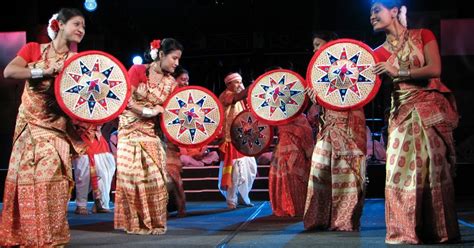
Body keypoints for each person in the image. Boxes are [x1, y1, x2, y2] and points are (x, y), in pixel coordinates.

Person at [370, 0, 460, 244]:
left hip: (430, 112)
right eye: (371, 12)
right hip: (401, 115)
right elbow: (365, 89)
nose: (372, 16)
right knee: (399, 173)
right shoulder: (376, 54)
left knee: (435, 171)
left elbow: (435, 69)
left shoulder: (423, 35)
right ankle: (404, 232)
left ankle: (441, 232)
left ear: (395, 11)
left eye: (377, 10)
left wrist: (396, 71)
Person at [0, 8, 86, 247]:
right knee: (24, 181)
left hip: (56, 127)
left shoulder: (77, 62)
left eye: (84, 27)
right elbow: (10, 71)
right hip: (28, 124)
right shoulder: (33, 50)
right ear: (60, 24)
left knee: (50, 180)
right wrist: (43, 71)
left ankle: (49, 238)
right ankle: (26, 237)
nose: (81, 30)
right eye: (77, 24)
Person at [114, 38, 182, 235]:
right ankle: (135, 223)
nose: (176, 63)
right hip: (129, 129)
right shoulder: (137, 71)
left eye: (178, 59)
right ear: (161, 54)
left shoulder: (171, 83)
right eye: (174, 58)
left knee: (155, 178)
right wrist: (148, 111)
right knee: (132, 177)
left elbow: (170, 112)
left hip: (151, 132)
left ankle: (154, 222)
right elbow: (125, 99)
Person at [304, 32, 367, 231]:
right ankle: (318, 219)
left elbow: (351, 98)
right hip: (327, 129)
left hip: (346, 129)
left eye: (318, 44)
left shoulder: (349, 69)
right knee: (319, 173)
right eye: (313, 46)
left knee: (345, 176)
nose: (314, 49)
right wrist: (317, 101)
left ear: (331, 46)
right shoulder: (318, 76)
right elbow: (317, 113)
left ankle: (343, 221)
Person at [217, 72, 257, 209]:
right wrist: (253, 86)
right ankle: (231, 200)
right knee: (235, 172)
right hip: (230, 141)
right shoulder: (226, 95)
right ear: (228, 84)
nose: (240, 84)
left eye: (241, 81)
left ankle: (243, 197)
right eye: (237, 82)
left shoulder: (239, 98)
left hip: (242, 140)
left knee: (250, 169)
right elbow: (240, 95)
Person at [269, 114, 314, 217]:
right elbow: (306, 135)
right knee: (295, 179)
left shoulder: (278, 115)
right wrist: (309, 153)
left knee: (284, 178)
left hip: (281, 150)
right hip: (295, 151)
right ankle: (296, 208)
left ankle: (283, 206)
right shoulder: (300, 118)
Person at [72, 122, 116, 215]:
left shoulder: (100, 111)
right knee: (83, 176)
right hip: (81, 141)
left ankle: (101, 203)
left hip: (99, 142)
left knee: (104, 174)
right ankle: (81, 205)